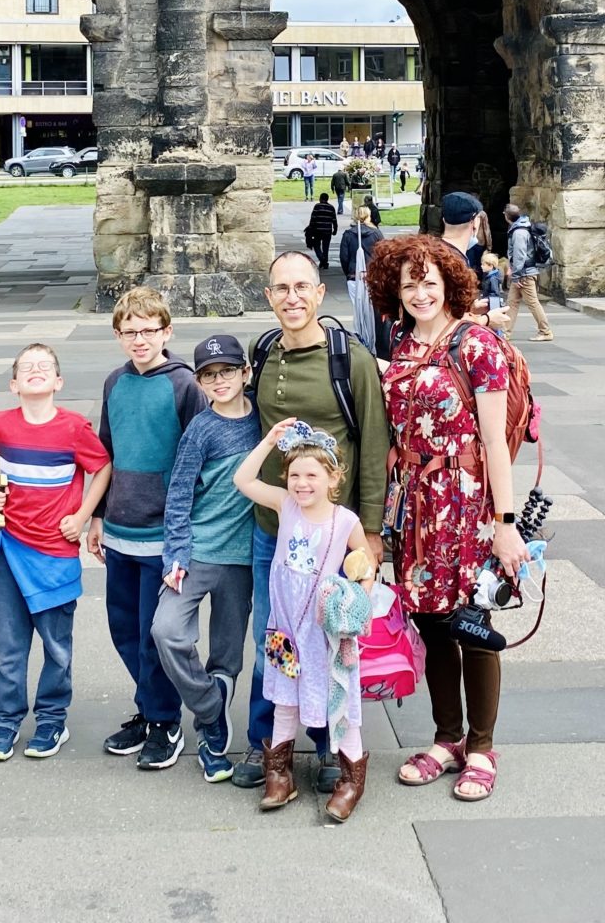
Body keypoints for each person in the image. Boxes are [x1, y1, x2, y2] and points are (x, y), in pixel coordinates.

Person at [368, 234, 529, 804]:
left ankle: (482, 748)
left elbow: (493, 441)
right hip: (415, 504)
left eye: (428, 282)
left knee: (474, 625)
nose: (418, 293)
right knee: (433, 624)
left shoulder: (476, 344)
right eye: (408, 284)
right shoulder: (401, 345)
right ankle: (446, 739)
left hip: (468, 501)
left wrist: (505, 522)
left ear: (448, 285)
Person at [231, 250, 391, 793]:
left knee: (329, 638)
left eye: (303, 286)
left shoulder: (350, 358)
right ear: (269, 295)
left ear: (320, 294)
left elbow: (374, 444)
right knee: (271, 636)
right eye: (281, 288)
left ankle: (328, 747)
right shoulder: (266, 352)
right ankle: (267, 741)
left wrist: (369, 534)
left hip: (331, 538)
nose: (292, 297)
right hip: (273, 528)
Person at [0, 344, 112, 761]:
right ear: (14, 384)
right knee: (8, 644)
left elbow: (102, 467)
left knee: (56, 644)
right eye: (27, 368)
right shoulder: (0, 424)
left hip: (55, 552)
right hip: (9, 550)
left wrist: (85, 515)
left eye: (45, 367)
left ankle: (52, 718)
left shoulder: (73, 429)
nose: (36, 371)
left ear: (58, 382)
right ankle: (6, 720)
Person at [232, 418, 374, 822]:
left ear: (334, 478)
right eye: (295, 474)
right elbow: (243, 479)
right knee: (283, 700)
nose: (301, 483)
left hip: (326, 633)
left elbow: (366, 567)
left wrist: (355, 599)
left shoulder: (344, 521)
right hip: (285, 628)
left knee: (341, 703)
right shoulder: (285, 506)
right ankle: (279, 773)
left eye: (312, 474)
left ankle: (351, 779)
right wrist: (269, 441)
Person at [92, 286, 207, 769]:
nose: (140, 340)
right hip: (119, 527)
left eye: (149, 331)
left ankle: (164, 720)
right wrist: (96, 516)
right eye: (130, 332)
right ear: (118, 335)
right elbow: (105, 451)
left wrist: (188, 529)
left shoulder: (184, 385)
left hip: (162, 535)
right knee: (122, 628)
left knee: (150, 633)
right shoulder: (114, 383)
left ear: (167, 331)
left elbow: (202, 456)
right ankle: (146, 707)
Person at [152, 334, 262, 782]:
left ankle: (211, 737)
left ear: (245, 373)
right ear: (199, 382)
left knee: (227, 654)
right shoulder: (201, 428)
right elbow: (178, 494)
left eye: (228, 372)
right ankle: (211, 707)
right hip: (197, 552)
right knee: (167, 631)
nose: (220, 381)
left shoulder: (262, 418)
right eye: (210, 375)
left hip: (243, 559)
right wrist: (175, 553)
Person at [500, 203, 555, 344]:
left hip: (524, 274)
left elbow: (519, 255)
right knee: (512, 302)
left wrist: (516, 275)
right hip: (524, 272)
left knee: (532, 303)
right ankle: (505, 333)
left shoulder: (519, 232)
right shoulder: (523, 226)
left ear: (506, 216)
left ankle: (545, 331)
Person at [340, 205, 384, 355]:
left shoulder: (348, 234)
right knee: (372, 309)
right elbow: (383, 256)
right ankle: (373, 338)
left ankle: (361, 337)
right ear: (369, 216)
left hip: (354, 276)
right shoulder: (376, 234)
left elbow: (344, 257)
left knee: (358, 308)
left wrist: (349, 272)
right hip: (373, 276)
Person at [305, 190, 338, 270]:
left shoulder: (317, 207)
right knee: (326, 247)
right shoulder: (331, 208)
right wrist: (335, 229)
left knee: (316, 246)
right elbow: (334, 220)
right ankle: (324, 262)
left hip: (317, 230)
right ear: (327, 199)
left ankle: (322, 259)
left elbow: (313, 218)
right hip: (327, 230)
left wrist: (310, 228)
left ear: (320, 198)